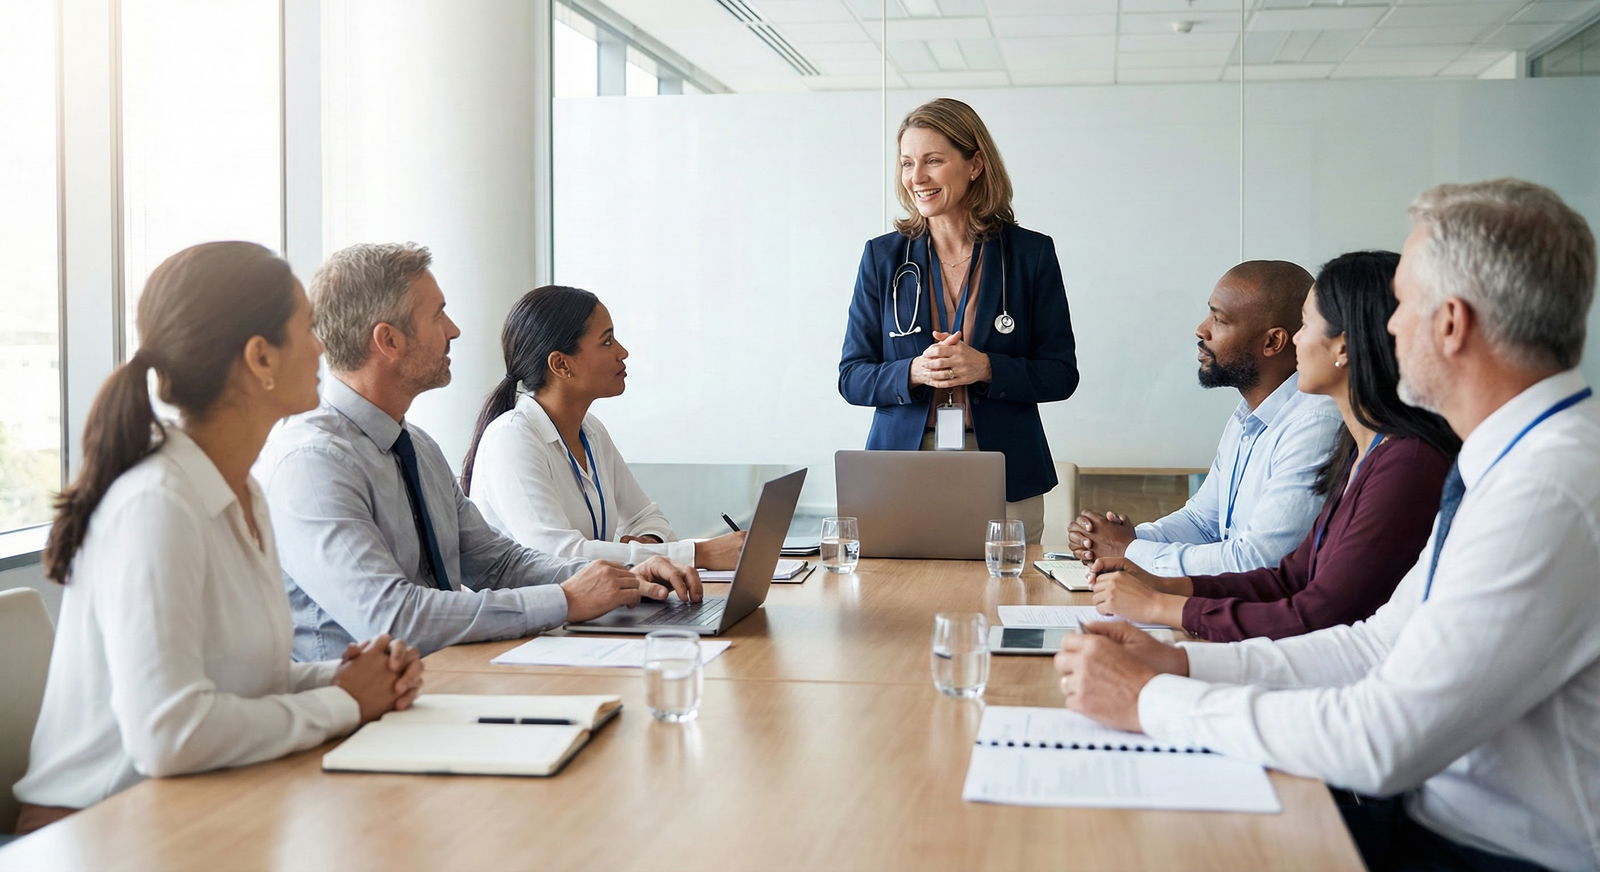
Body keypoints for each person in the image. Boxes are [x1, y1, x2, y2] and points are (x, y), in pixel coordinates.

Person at [1056, 179, 1599, 872]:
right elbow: (1373, 649)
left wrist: (1151, 700)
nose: (1387, 328)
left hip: (1480, 854)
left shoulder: (1547, 489)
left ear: (1452, 324)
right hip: (1429, 825)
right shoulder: (1514, 462)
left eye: (1403, 305)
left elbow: (1384, 739)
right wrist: (1179, 660)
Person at [13, 242, 423, 835]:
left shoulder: (241, 492)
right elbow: (169, 735)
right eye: (307, 328)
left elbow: (245, 684)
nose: (321, 347)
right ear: (260, 357)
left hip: (195, 805)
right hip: (102, 829)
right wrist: (346, 702)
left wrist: (348, 677)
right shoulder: (157, 503)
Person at [256, 243, 700, 659]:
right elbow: (393, 618)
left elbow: (500, 563)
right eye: (438, 316)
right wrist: (566, 599)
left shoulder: (418, 448)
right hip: (364, 723)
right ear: (388, 341)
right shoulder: (313, 462)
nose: (454, 330)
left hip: (445, 683)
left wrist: (622, 581)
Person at [1087, 251, 1458, 640]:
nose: (1295, 340)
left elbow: (1317, 612)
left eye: (1307, 325)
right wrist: (1156, 582)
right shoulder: (1363, 448)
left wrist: (1158, 603)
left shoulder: (1403, 461)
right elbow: (1289, 577)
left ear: (1343, 348)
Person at [838, 97, 1078, 544]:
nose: (916, 178)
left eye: (933, 160)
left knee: (1005, 602)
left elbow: (1061, 375)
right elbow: (851, 377)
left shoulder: (1030, 255)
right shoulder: (883, 257)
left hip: (1004, 465)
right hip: (902, 463)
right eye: (908, 163)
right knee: (897, 606)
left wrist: (988, 368)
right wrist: (912, 371)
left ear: (975, 164)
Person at [1068, 261, 1343, 575]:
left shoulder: (1315, 424)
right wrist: (1118, 539)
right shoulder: (1248, 417)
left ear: (1272, 342)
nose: (1202, 329)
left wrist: (1128, 550)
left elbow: (1256, 561)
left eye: (1219, 319)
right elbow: (1202, 522)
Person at [460, 286, 746, 568]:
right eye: (607, 342)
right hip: (534, 613)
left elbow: (646, 517)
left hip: (594, 608)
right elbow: (554, 556)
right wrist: (697, 554)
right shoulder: (512, 438)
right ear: (561, 364)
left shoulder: (590, 430)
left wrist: (647, 544)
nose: (623, 352)